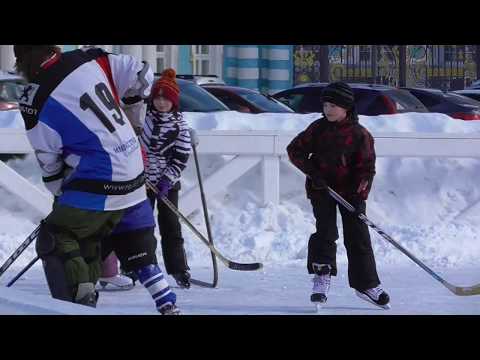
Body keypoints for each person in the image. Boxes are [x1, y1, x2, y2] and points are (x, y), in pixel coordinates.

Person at [13, 45, 157, 308]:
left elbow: (47, 155)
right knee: (87, 234)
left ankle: (75, 305)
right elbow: (142, 73)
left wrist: (58, 187)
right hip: (135, 172)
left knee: (56, 237)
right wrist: (133, 115)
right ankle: (86, 299)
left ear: (24, 59)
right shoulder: (89, 57)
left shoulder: (35, 96)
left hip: (101, 176)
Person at [286, 81, 390, 309]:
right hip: (322, 190)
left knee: (358, 236)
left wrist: (359, 193)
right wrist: (313, 173)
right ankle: (322, 275)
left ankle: (366, 284)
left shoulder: (360, 135)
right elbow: (294, 150)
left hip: (350, 193)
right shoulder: (318, 128)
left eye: (333, 106)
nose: (328, 110)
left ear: (346, 108)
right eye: (325, 105)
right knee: (326, 232)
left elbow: (367, 168)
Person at [140, 68, 192, 288]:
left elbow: (181, 157)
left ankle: (179, 268)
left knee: (170, 225)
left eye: (166, 98)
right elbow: (135, 147)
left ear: (174, 101)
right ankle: (142, 265)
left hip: (166, 184)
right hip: (141, 183)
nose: (161, 103)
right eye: (158, 98)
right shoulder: (144, 119)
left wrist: (167, 180)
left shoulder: (180, 126)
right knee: (141, 226)